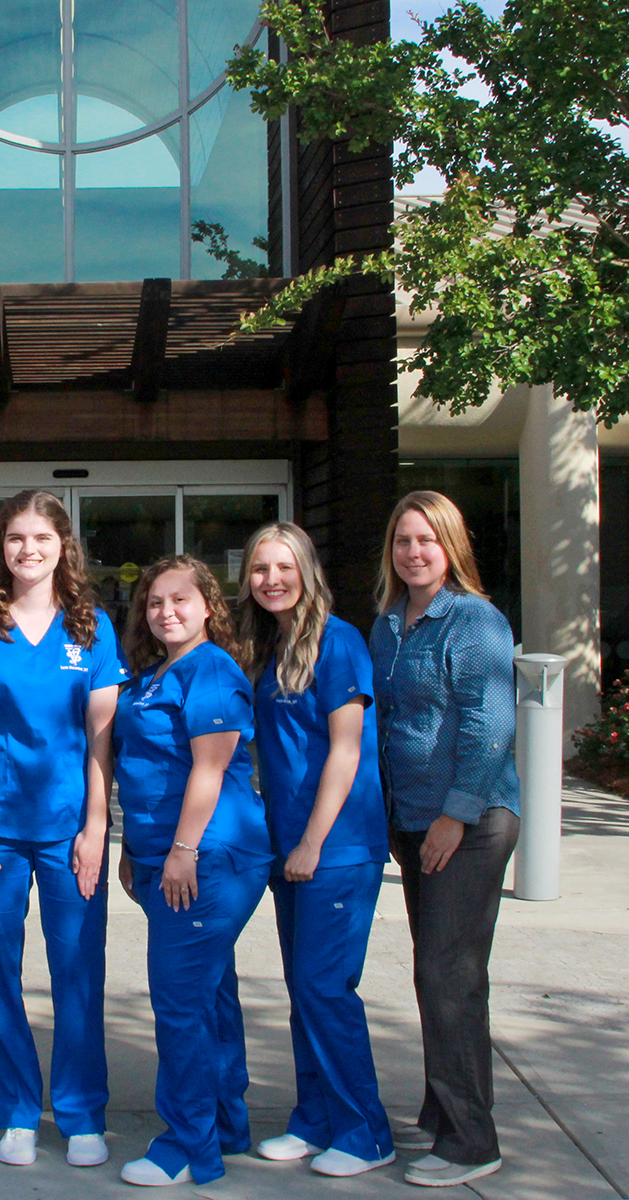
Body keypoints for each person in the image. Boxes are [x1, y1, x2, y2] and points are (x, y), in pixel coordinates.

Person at [0, 489, 125, 1169]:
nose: (29, 550)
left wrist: (94, 829)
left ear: (62, 547)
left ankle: (80, 1112)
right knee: (0, 973)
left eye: (42, 538)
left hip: (66, 831)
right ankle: (16, 1111)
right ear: (1, 548)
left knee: (78, 971)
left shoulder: (93, 630)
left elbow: (100, 741)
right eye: (16, 538)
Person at [369, 491, 520, 1189]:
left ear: (451, 546)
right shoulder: (389, 625)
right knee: (442, 971)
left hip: (471, 820)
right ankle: (444, 1108)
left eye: (427, 540)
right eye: (404, 540)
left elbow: (490, 727)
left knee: (447, 976)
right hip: (415, 819)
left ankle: (470, 1142)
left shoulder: (474, 621)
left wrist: (454, 818)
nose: (414, 552)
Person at [236, 522, 393, 1177]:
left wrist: (310, 841)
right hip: (288, 848)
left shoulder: (340, 642)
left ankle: (365, 1132)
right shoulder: (269, 647)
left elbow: (347, 751)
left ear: (307, 569)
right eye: (259, 568)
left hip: (336, 846)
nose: (271, 579)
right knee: (306, 990)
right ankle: (315, 1119)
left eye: (283, 567)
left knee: (325, 987)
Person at [113, 555, 272, 1187]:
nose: (166, 612)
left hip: (211, 857)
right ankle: (227, 1124)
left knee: (179, 1003)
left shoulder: (210, 670)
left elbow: (210, 768)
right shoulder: (156, 674)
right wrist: (136, 849)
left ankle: (188, 1146)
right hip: (164, 856)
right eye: (155, 602)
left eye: (180, 600)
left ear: (209, 606)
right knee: (209, 996)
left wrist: (181, 852)